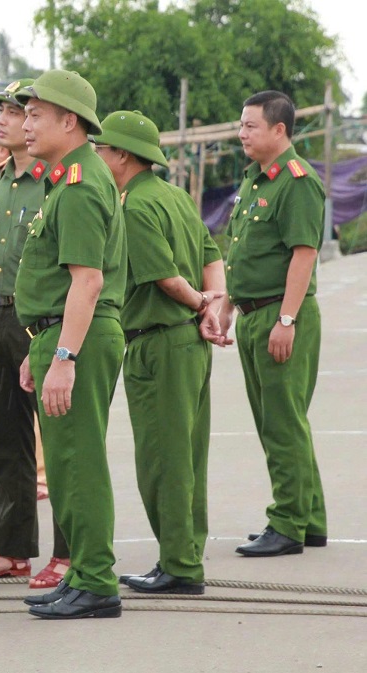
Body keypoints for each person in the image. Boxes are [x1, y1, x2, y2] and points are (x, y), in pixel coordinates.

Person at [93, 110, 226, 594]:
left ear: (122, 155)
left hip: (159, 340)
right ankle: (183, 554)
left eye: (100, 149)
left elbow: (166, 278)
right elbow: (212, 256)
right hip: (188, 341)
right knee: (188, 456)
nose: (96, 156)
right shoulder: (174, 196)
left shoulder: (132, 205)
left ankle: (180, 565)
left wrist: (199, 303)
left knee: (161, 461)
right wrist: (212, 306)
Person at [13, 70, 126, 619]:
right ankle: (82, 573)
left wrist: (63, 356)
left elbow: (88, 281)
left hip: (75, 335)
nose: (25, 125)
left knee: (79, 464)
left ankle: (97, 581)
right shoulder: (64, 179)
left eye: (36, 115)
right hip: (57, 334)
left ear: (69, 121)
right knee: (63, 465)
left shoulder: (79, 184)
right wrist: (39, 348)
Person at [0, 79, 71, 590]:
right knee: (3, 438)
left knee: (61, 440)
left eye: (15, 111)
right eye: (2, 112)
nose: (5, 120)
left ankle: (69, 552)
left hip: (42, 318)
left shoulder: (57, 181)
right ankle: (11, 549)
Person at [213, 90, 327, 557]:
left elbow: (304, 254)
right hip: (253, 313)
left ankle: (287, 523)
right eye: (240, 125)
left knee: (282, 423)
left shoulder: (295, 181)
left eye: (250, 126)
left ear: (279, 130)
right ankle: (309, 518)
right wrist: (227, 304)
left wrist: (287, 318)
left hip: (280, 314)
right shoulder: (257, 180)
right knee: (278, 420)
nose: (241, 133)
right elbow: (244, 250)